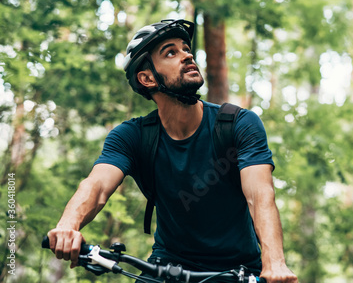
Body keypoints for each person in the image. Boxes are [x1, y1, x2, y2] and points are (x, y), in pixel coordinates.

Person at [47, 19, 298, 283]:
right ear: (147, 78)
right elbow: (96, 186)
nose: (187, 55)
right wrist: (67, 226)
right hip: (168, 267)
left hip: (239, 269)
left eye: (186, 48)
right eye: (171, 52)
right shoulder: (133, 136)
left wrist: (275, 264)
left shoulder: (238, 124)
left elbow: (260, 196)